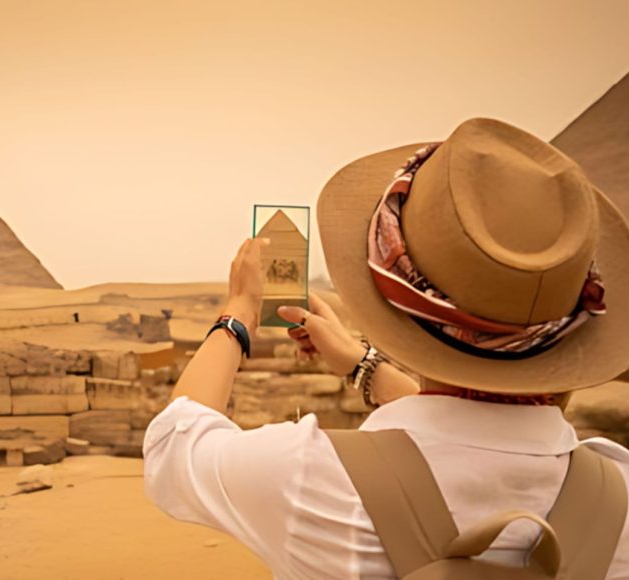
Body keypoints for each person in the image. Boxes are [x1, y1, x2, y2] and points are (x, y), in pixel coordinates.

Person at [143, 118, 629, 579]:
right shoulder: (617, 493)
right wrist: (363, 365)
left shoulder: (307, 477)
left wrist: (239, 314)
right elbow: (476, 434)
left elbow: (174, 443)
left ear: (393, 307)